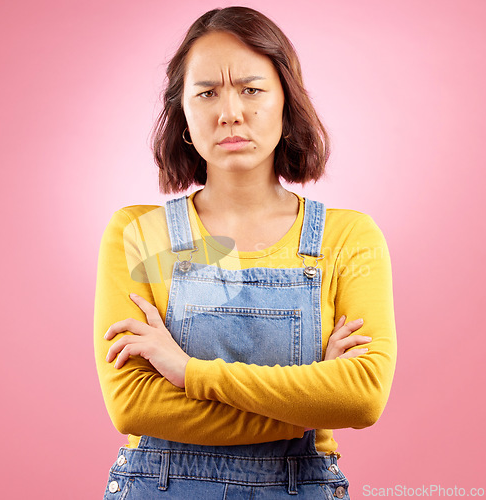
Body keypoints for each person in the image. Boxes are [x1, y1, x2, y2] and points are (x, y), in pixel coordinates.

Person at [94, 6, 397, 499]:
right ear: (184, 115)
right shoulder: (139, 233)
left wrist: (187, 372)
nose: (231, 111)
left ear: (286, 103)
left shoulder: (349, 239)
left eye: (251, 89)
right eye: (207, 92)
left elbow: (361, 398)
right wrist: (309, 400)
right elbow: (133, 405)